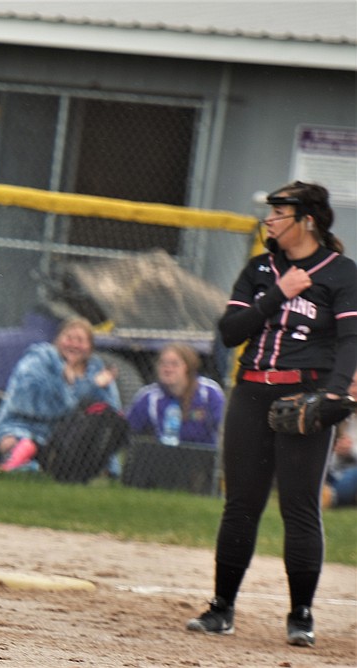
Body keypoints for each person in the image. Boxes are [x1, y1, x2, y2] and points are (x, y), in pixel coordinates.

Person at [186, 181, 356, 648]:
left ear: (308, 220)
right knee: (241, 503)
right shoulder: (261, 269)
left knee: (299, 506)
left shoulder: (341, 273)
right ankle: (222, 608)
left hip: (304, 397)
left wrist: (335, 394)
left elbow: (349, 342)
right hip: (252, 394)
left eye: (280, 213)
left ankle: (301, 615)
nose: (271, 220)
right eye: (271, 212)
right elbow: (229, 331)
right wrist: (277, 293)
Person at [0, 316, 121, 474]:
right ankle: (17, 461)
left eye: (80, 340)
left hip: (68, 436)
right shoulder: (38, 360)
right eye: (69, 338)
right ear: (57, 340)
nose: (74, 344)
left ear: (90, 347)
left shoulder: (98, 372)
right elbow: (25, 400)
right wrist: (67, 383)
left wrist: (91, 387)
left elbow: (108, 416)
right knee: (10, 441)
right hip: (27, 424)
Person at [126, 343, 225, 447]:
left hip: (204, 456)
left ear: (187, 367)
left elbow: (224, 427)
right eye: (163, 363)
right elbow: (129, 428)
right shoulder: (148, 397)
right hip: (165, 457)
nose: (167, 369)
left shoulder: (208, 392)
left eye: (174, 364)